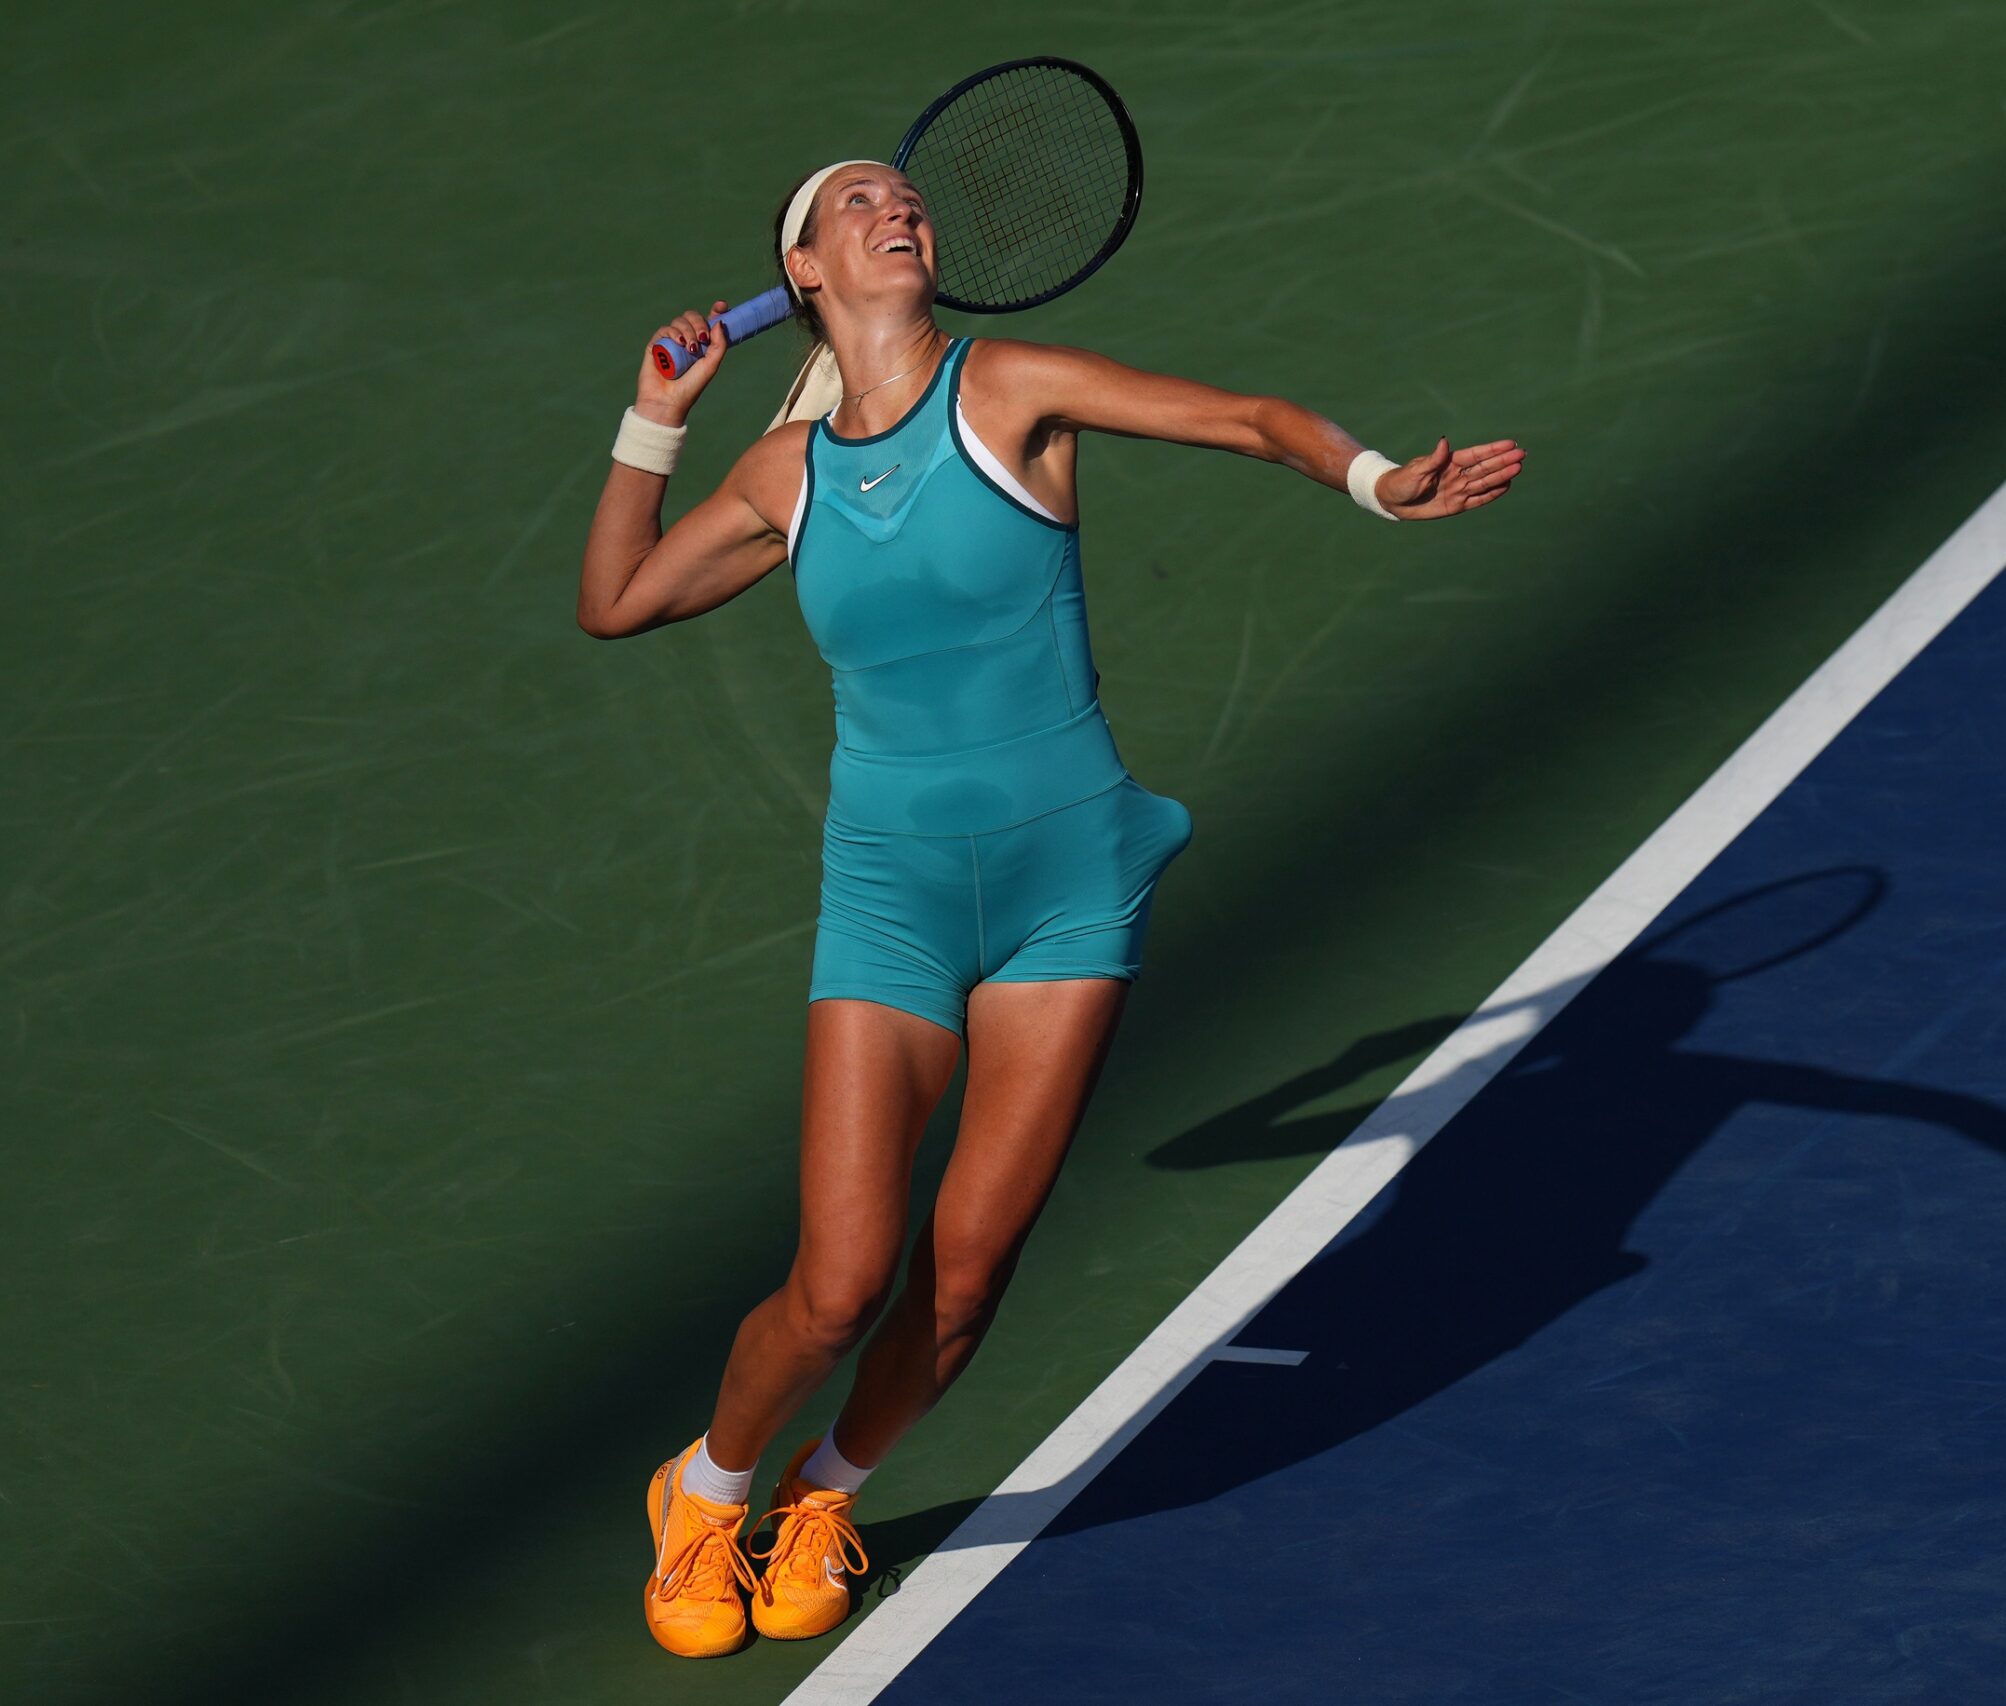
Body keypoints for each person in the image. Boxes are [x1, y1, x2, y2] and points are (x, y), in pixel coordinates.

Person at [575, 157, 1526, 1658]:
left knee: (960, 1286)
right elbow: (617, 599)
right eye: (855, 206)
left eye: (908, 200)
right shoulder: (782, 476)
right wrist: (658, 417)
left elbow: (1248, 419)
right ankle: (706, 1487)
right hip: (891, 901)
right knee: (835, 1289)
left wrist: (1374, 480)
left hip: (1067, 890)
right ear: (805, 273)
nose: (899, 211)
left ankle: (828, 1490)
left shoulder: (1010, 386)